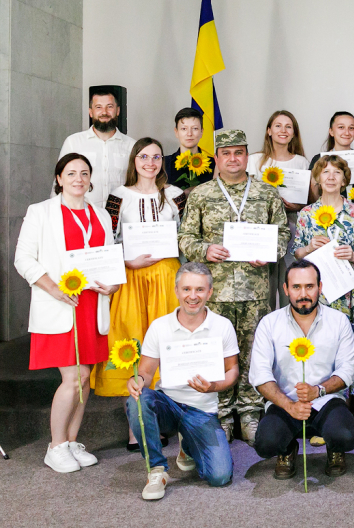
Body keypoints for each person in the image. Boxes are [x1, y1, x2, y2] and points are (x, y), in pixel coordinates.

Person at [178, 128, 289, 445]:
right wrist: (204, 250)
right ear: (217, 157)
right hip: (215, 294)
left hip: (255, 292)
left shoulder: (266, 193)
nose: (233, 158)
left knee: (253, 354)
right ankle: (223, 416)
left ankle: (251, 415)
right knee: (219, 355)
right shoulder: (201, 195)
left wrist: (269, 253)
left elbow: (282, 234)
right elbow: (185, 237)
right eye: (226, 153)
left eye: (239, 152)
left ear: (246, 155)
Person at [14, 153, 120, 473]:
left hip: (91, 306)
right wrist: (53, 288)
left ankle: (72, 442)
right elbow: (24, 259)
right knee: (73, 378)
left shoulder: (100, 214)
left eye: (84, 173)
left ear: (90, 179)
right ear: (59, 178)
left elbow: (107, 257)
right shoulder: (41, 212)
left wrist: (113, 285)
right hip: (59, 302)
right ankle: (56, 446)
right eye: (70, 173)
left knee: (85, 379)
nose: (78, 178)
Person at [95, 138, 186, 450]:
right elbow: (106, 239)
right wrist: (125, 261)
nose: (150, 162)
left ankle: (163, 420)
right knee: (133, 346)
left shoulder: (174, 195)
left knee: (167, 345)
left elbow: (186, 235)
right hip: (131, 279)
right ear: (134, 160)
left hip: (167, 278)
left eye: (157, 156)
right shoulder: (118, 197)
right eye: (144, 156)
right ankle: (136, 428)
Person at [125, 262, 238, 500]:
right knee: (138, 400)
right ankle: (157, 470)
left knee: (220, 477)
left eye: (199, 289)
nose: (192, 296)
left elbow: (233, 371)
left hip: (202, 410)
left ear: (210, 292)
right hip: (168, 404)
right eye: (186, 289)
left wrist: (214, 387)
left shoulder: (222, 325)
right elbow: (145, 371)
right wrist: (137, 381)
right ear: (176, 291)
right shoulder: (159, 326)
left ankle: (187, 445)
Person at [250, 260, 354, 479]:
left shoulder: (339, 321)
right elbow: (260, 375)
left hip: (326, 399)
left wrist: (318, 390)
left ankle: (335, 448)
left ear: (320, 287)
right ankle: (287, 449)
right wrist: (289, 405)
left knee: (346, 436)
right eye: (296, 287)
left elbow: (347, 371)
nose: (303, 294)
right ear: (286, 289)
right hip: (284, 402)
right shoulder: (269, 323)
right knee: (265, 444)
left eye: (309, 286)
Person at [292, 155, 354, 422]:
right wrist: (309, 247)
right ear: (317, 178)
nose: (331, 176)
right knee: (321, 345)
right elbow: (296, 254)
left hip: (349, 294)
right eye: (325, 172)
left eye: (337, 172)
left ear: (345, 179)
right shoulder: (306, 215)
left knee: (352, 344)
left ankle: (351, 410)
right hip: (318, 295)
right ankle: (321, 408)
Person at [247, 110, 310, 309]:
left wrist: (298, 206)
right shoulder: (255, 160)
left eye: (288, 126)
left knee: (288, 280)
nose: (283, 130)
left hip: (291, 225)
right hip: (261, 227)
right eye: (278, 126)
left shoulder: (302, 162)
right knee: (263, 285)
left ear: (293, 133)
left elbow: (309, 201)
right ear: (269, 131)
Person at [57, 87, 137, 206]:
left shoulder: (131, 145)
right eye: (98, 107)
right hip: (83, 215)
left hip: (121, 216)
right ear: (91, 112)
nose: (104, 112)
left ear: (118, 110)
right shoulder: (73, 142)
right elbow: (59, 183)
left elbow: (138, 183)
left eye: (109, 107)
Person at [308, 111, 354, 205]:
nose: (347, 132)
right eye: (341, 127)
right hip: (327, 216)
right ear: (331, 131)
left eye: (351, 128)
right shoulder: (318, 160)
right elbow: (314, 195)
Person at [163, 107, 215, 194]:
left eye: (195, 128)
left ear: (202, 132)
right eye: (184, 129)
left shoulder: (214, 164)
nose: (189, 134)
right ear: (176, 132)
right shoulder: (163, 164)